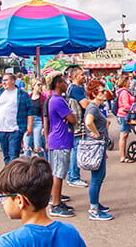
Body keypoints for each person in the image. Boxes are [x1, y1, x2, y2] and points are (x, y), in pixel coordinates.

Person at [0, 156, 86, 247]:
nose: (3, 202)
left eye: (4, 197)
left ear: (20, 201)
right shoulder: (70, 232)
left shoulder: (10, 242)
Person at [44, 72, 77, 218]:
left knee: (59, 172)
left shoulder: (56, 99)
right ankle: (55, 204)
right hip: (60, 140)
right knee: (58, 173)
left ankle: (57, 200)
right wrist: (71, 117)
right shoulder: (57, 100)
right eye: (63, 82)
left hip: (60, 139)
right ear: (58, 84)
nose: (65, 84)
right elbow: (71, 118)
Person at [83, 80, 114, 221]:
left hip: (98, 145)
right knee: (96, 178)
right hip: (95, 145)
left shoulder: (96, 107)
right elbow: (88, 122)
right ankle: (94, 209)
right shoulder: (93, 107)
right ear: (94, 93)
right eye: (101, 91)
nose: (104, 93)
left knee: (100, 175)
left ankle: (96, 204)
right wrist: (95, 133)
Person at [0, 73, 33, 165]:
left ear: (13, 81)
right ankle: (8, 175)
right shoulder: (0, 93)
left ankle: (13, 176)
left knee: (13, 156)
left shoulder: (22, 94)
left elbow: (29, 111)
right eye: (3, 80)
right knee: (6, 156)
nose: (3, 82)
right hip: (1, 129)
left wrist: (30, 126)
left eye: (6, 80)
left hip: (16, 128)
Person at [66, 68, 89, 188]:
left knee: (75, 149)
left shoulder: (75, 88)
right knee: (76, 149)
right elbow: (85, 104)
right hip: (78, 124)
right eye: (81, 75)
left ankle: (72, 175)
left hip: (76, 123)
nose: (84, 76)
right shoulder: (75, 89)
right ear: (75, 77)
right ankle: (74, 177)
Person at [24, 79, 46, 159]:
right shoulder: (28, 97)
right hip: (28, 121)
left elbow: (44, 113)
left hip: (38, 121)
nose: (40, 87)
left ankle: (44, 162)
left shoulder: (43, 99)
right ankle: (26, 166)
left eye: (41, 85)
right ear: (33, 86)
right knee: (27, 146)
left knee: (38, 146)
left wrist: (44, 126)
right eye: (38, 85)